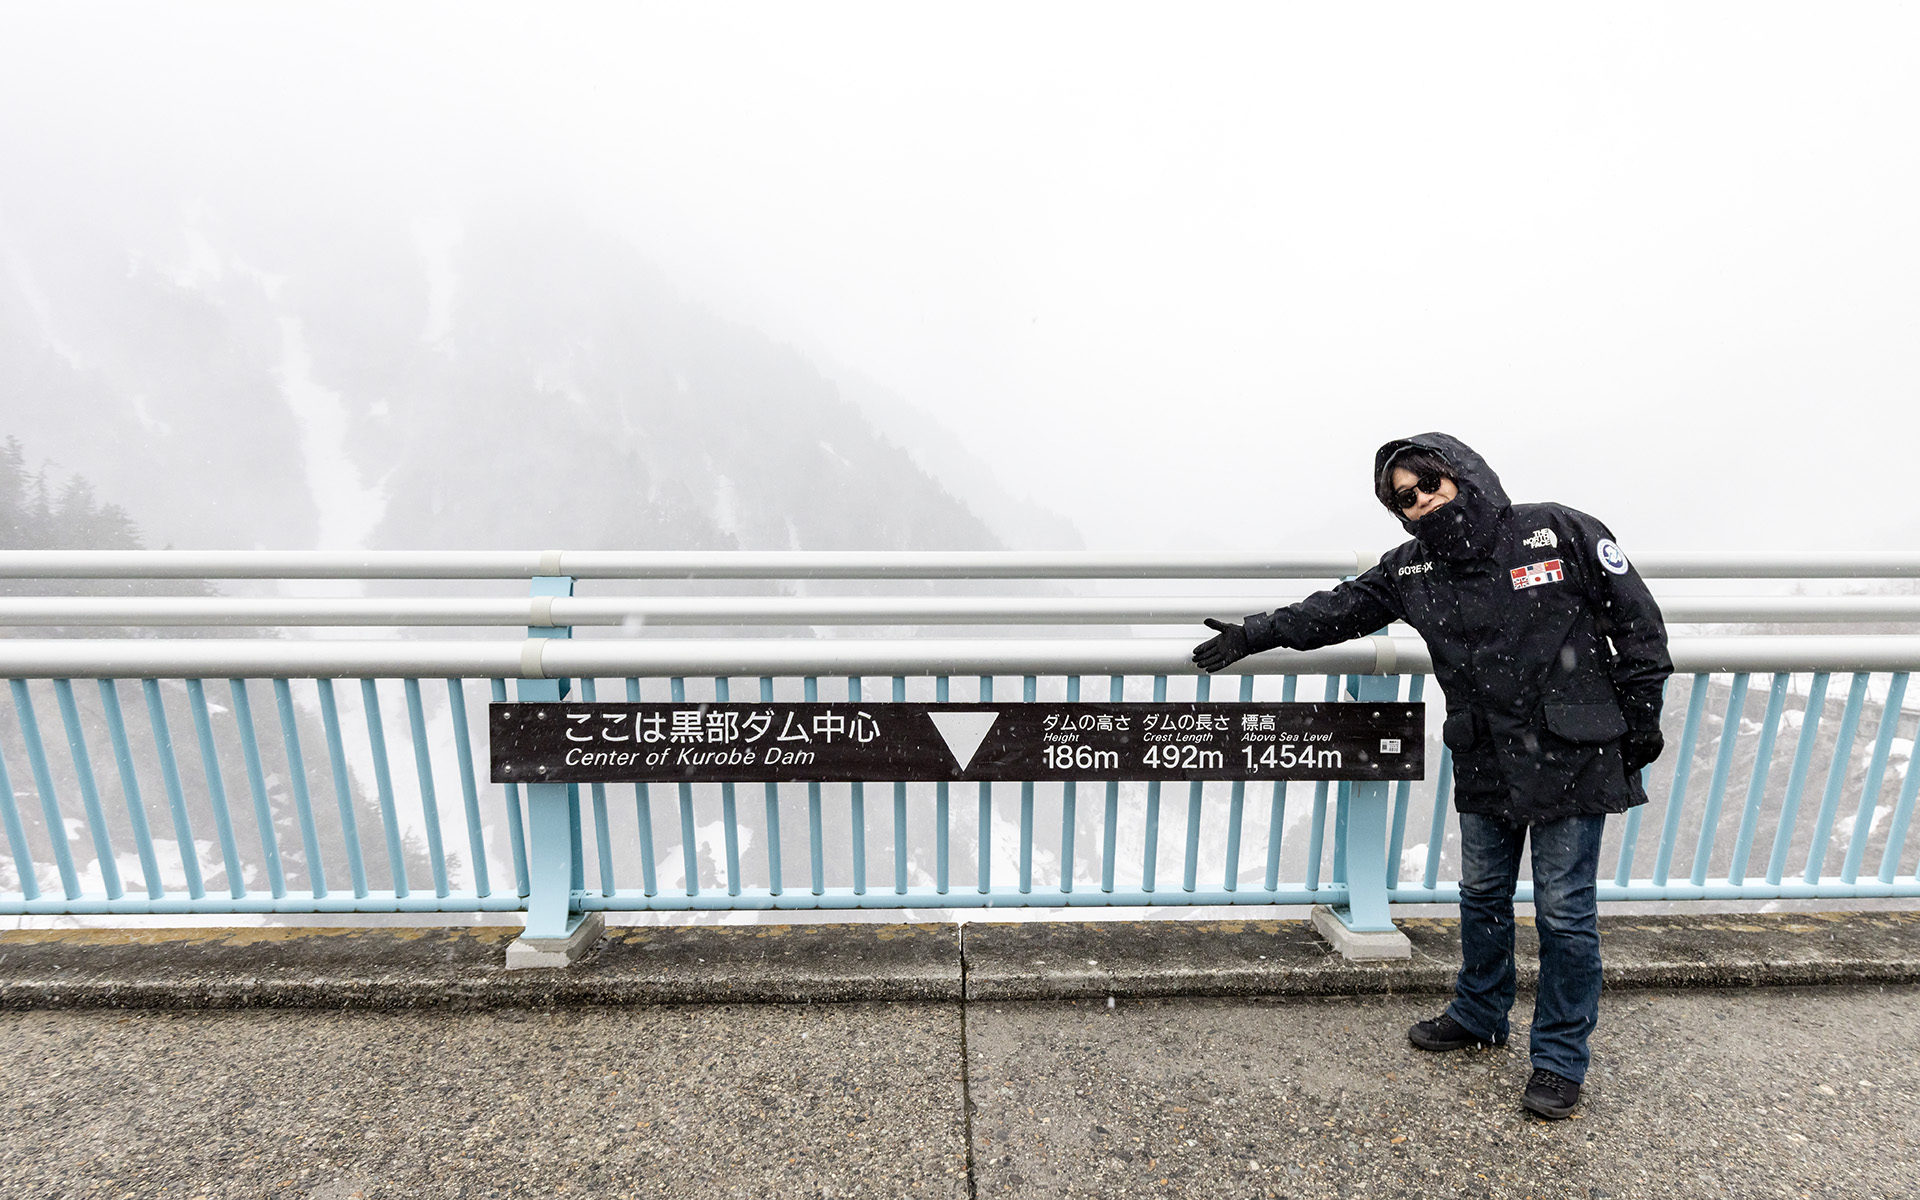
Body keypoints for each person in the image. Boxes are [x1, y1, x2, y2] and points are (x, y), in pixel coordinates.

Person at [1190, 432, 1671, 1121]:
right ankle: (1479, 1013)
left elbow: (1638, 621)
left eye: (1429, 485)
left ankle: (1561, 1060)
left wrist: (1641, 713)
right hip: (1484, 753)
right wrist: (1253, 635)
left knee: (1565, 913)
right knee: (1480, 893)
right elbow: (1336, 610)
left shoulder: (1557, 529)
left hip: (1573, 749)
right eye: (1404, 498)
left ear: (1462, 475)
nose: (1420, 502)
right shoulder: (1412, 569)